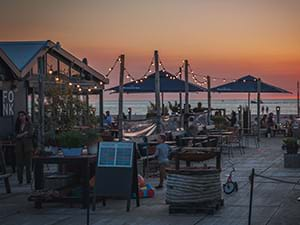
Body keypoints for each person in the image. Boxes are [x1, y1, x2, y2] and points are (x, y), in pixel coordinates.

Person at [15, 111, 33, 184]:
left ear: (25, 116)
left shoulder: (29, 124)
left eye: (22, 115)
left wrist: (21, 135)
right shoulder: (17, 125)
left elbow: (30, 134)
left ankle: (29, 180)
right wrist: (25, 133)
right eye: (20, 116)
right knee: (19, 165)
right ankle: (20, 180)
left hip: (28, 147)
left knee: (28, 165)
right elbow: (16, 136)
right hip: (19, 147)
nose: (21, 117)